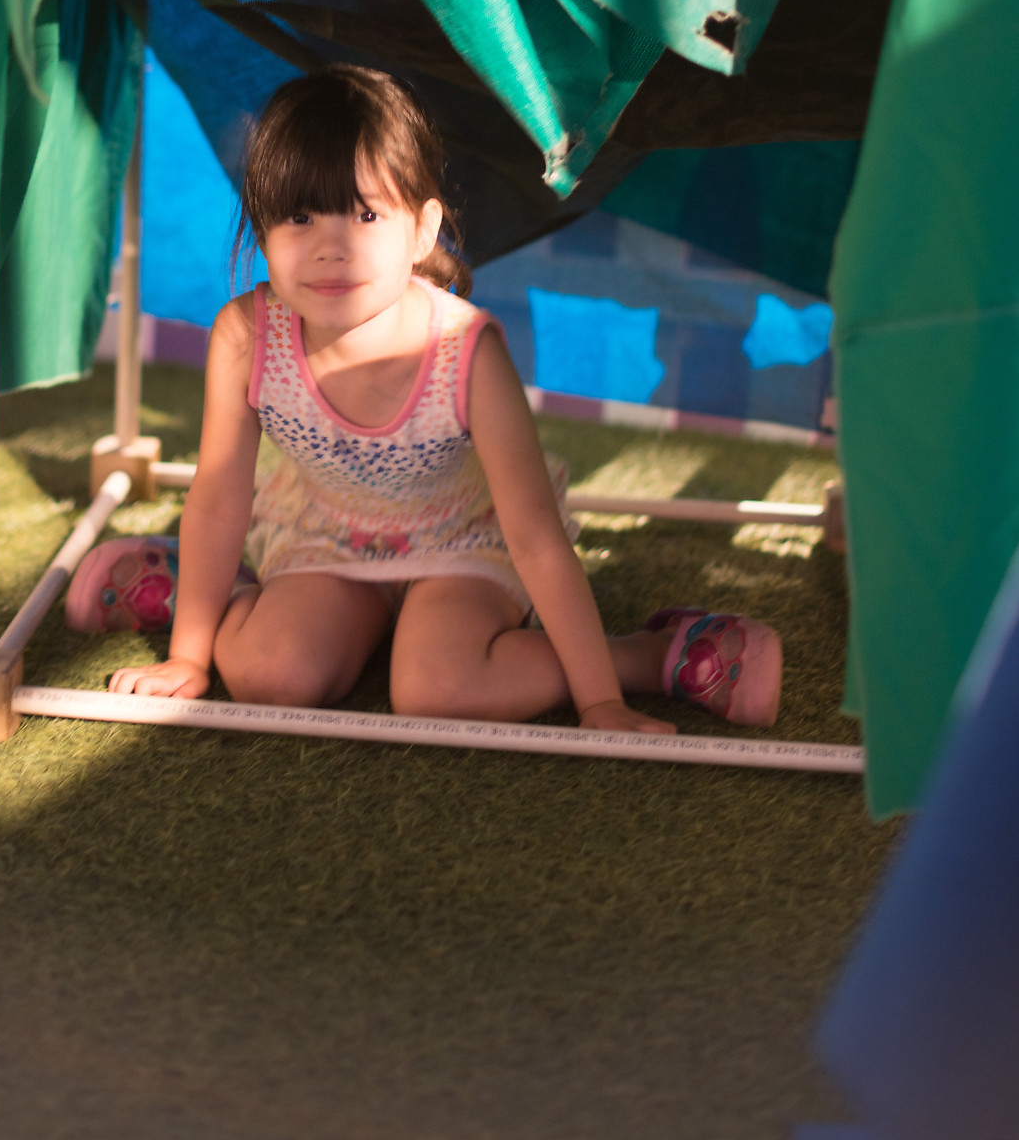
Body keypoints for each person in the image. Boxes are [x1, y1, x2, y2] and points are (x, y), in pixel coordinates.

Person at [69, 66, 781, 733]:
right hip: (322, 534)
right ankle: (202, 594)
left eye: (364, 216)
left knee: (436, 692)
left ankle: (648, 655)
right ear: (261, 232)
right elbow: (219, 499)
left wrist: (601, 701)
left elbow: (535, 537)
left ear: (423, 230)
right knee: (271, 674)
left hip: (462, 543)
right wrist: (188, 658)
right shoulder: (247, 334)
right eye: (300, 217)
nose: (330, 247)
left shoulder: (466, 352)